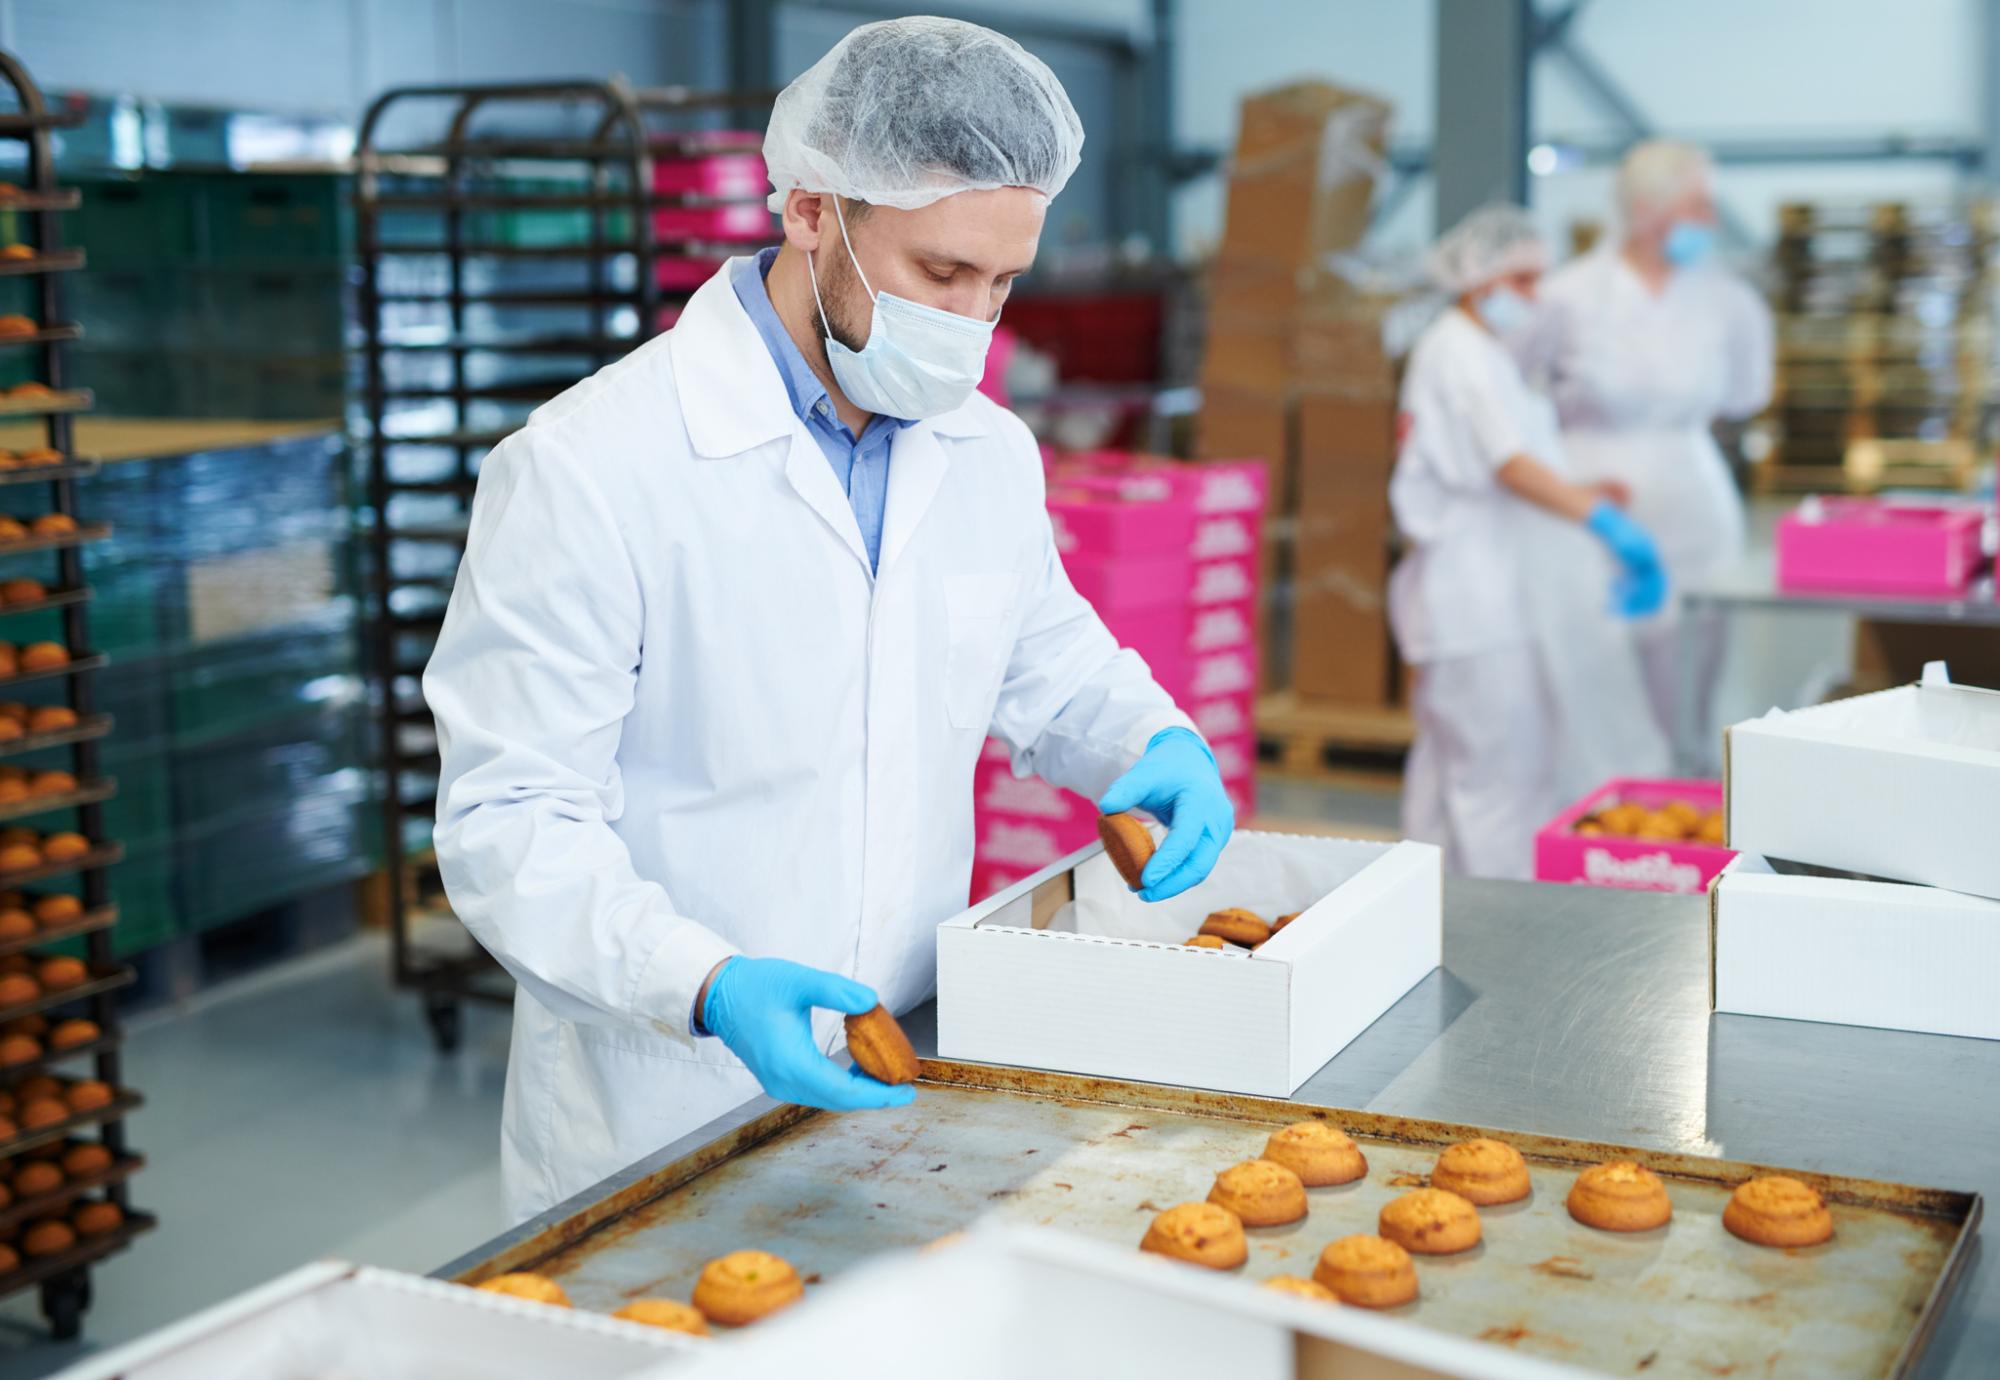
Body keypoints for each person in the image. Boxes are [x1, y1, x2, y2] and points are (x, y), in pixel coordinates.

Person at [424, 17, 1234, 1222]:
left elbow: (1041, 656)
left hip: (906, 1056)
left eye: (1002, 283)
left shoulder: (986, 450)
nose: (971, 323)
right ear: (810, 210)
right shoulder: (592, 467)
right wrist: (702, 983)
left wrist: (1145, 741)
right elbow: (510, 819)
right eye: (940, 275)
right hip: (666, 1089)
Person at [1391, 205, 1671, 879]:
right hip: (1474, 605)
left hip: (1486, 596)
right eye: (1520, 279)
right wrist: (1600, 521)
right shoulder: (1456, 351)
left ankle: (1432, 906)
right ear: (1477, 276)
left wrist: (1589, 489)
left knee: (1454, 769)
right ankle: (1500, 927)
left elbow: (1516, 458)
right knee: (1497, 781)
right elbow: (1509, 465)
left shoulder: (1482, 352)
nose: (1531, 297)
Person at [1516, 139, 1774, 761]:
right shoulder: (1566, 296)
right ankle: (1600, 817)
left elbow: (1745, 395)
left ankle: (1684, 800)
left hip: (1693, 505)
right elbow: (1518, 401)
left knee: (1692, 673)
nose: (1708, 220)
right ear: (1648, 209)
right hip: (1590, 508)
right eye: (1696, 205)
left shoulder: (1728, 302)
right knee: (1591, 674)